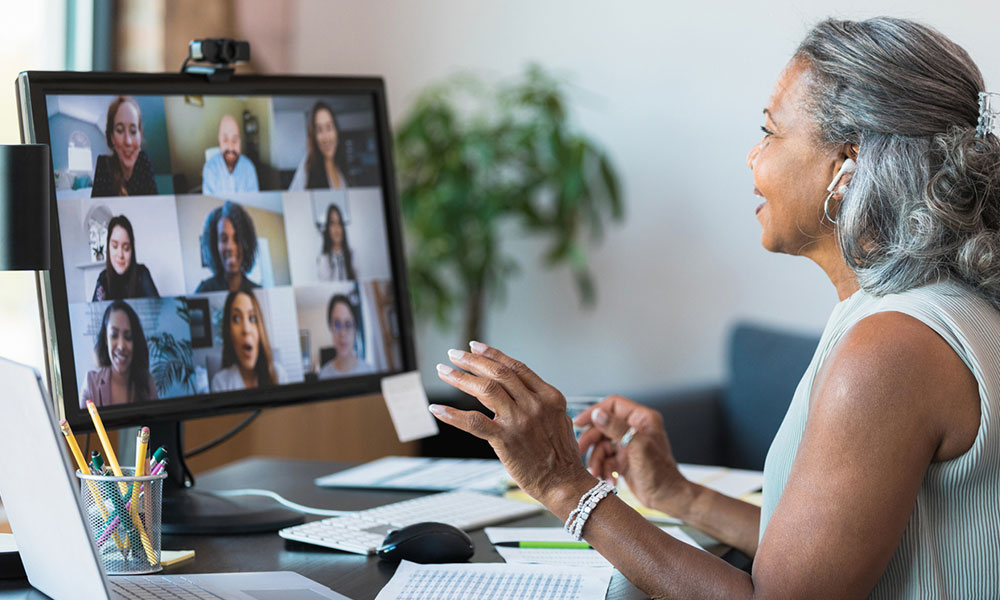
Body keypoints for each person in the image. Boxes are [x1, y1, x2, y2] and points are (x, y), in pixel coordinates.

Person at [428, 17, 1000, 599]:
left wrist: (561, 484)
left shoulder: (893, 350)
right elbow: (817, 561)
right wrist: (679, 495)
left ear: (846, 167)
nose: (753, 158)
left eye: (771, 132)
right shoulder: (934, 310)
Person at [80, 300, 157, 408]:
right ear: (106, 339)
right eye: (114, 335)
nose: (121, 346)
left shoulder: (148, 383)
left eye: (128, 337)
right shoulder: (91, 383)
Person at [211, 290, 287, 391]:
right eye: (236, 319)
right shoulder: (220, 382)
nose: (246, 329)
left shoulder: (279, 374)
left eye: (252, 318)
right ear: (229, 331)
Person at [92, 96, 158, 197]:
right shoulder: (103, 165)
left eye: (133, 131)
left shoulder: (143, 160)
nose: (128, 141)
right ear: (112, 137)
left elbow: (154, 204)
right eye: (119, 130)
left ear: (140, 135)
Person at [195, 200, 261, 293]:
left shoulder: (258, 291)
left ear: (246, 243)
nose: (230, 247)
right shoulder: (204, 291)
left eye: (237, 239)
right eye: (224, 239)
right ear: (214, 245)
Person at [92, 215, 159, 301]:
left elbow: (158, 310)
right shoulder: (103, 278)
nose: (120, 255)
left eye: (126, 248)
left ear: (132, 250)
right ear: (108, 247)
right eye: (115, 246)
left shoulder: (142, 274)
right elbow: (95, 312)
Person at [288, 101, 349, 190]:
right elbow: (291, 200)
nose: (325, 137)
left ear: (336, 131)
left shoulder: (341, 166)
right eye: (319, 130)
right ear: (314, 136)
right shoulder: (307, 165)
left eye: (329, 127)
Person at [201, 114, 260, 195]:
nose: (231, 147)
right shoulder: (209, 169)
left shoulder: (249, 168)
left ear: (240, 142)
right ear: (219, 141)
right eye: (225, 140)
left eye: (235, 140)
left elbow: (254, 201)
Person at [318, 293, 373, 378]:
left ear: (355, 330)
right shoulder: (323, 375)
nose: (342, 333)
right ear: (330, 328)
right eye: (337, 324)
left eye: (348, 324)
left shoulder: (369, 371)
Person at [316, 204, 357, 281]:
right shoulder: (323, 259)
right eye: (332, 223)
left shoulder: (353, 255)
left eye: (339, 223)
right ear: (328, 228)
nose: (336, 228)